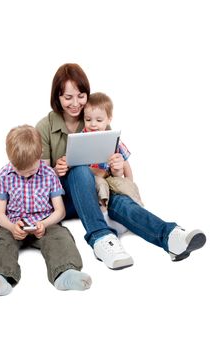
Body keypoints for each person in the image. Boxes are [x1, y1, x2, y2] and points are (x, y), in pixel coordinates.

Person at [35, 63, 206, 270]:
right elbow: (38, 178)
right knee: (79, 170)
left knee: (119, 201)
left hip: (97, 192)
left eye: (80, 96)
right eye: (67, 97)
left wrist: (116, 167)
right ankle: (101, 238)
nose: (75, 103)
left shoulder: (95, 118)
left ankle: (170, 237)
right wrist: (56, 170)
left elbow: (116, 169)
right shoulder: (45, 127)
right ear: (57, 97)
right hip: (63, 200)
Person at [0, 125, 92, 298]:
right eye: (21, 172)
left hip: (45, 223)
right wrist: (12, 227)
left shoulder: (49, 174)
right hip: (13, 224)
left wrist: (45, 223)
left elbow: (60, 211)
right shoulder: (4, 175)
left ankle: (65, 273)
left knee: (61, 237)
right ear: (11, 160)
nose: (27, 175)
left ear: (40, 154)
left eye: (32, 171)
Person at [83, 92, 143, 234]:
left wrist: (128, 181)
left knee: (125, 185)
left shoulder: (113, 139)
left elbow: (125, 163)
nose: (93, 124)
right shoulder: (82, 138)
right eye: (88, 119)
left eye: (99, 120)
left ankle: (136, 208)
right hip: (95, 179)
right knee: (100, 185)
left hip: (112, 177)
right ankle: (105, 216)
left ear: (109, 119)